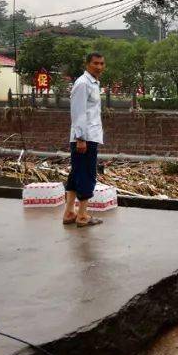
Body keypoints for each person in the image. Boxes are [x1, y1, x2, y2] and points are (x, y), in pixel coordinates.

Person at [64, 52, 106, 227]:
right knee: (87, 174)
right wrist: (81, 138)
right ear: (87, 64)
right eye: (95, 63)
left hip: (89, 136)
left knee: (75, 174)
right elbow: (78, 112)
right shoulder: (83, 84)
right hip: (85, 138)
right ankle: (82, 215)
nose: (99, 66)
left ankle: (69, 213)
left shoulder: (93, 83)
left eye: (102, 64)